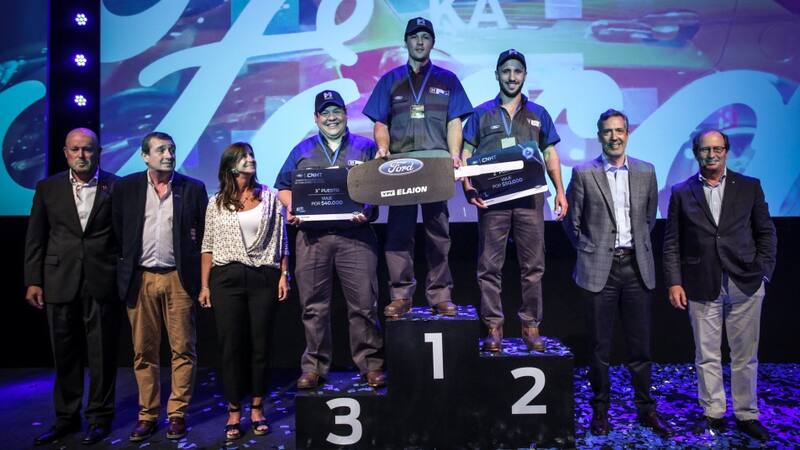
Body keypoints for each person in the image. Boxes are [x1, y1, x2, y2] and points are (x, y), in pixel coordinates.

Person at [563, 109, 672, 437]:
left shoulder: (645, 171)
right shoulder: (584, 173)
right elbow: (572, 221)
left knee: (640, 346)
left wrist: (635, 247)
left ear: (628, 133)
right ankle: (600, 410)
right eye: (608, 131)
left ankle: (645, 409)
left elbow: (649, 219)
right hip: (600, 270)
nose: (614, 136)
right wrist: (589, 249)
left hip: (637, 268)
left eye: (620, 130)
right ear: (599, 136)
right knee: (599, 347)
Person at [663, 129, 777, 441]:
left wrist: (763, 271)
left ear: (726, 151)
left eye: (717, 149)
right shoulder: (681, 191)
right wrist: (674, 282)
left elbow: (766, 232)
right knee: (707, 354)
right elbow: (672, 242)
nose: (711, 155)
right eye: (705, 150)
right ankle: (713, 412)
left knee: (745, 356)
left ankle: (746, 414)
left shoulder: (749, 187)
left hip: (746, 282)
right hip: (701, 282)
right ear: (695, 153)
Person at [275, 90, 386, 390]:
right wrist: (291, 206)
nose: (331, 117)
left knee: (364, 305)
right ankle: (314, 366)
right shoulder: (302, 150)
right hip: (313, 239)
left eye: (336, 111)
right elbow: (283, 187)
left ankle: (371, 365)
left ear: (346, 114)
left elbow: (377, 190)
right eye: (325, 113)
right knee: (313, 307)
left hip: (356, 238)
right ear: (316, 118)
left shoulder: (364, 148)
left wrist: (368, 208)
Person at [362, 17, 472, 318]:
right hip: (401, 165)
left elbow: (454, 122)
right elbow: (381, 122)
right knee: (399, 232)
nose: (420, 42)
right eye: (414, 37)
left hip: (436, 163)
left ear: (432, 42)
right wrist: (383, 149)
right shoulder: (390, 80)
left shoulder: (448, 80)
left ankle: (440, 295)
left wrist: (454, 155)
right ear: (406, 42)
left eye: (425, 36)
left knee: (439, 232)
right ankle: (401, 295)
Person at [461, 49, 568, 352]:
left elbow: (550, 154)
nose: (511, 76)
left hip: (531, 200)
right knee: (488, 267)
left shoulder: (539, 114)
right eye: (506, 71)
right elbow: (467, 153)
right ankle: (494, 328)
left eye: (517, 71)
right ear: (497, 75)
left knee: (533, 266)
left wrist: (560, 190)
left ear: (524, 75)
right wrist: (469, 187)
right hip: (492, 201)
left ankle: (530, 325)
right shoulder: (481, 113)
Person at [24, 128, 120, 446]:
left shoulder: (115, 186)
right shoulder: (48, 187)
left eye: (88, 150)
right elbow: (35, 238)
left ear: (98, 152)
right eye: (76, 150)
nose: (82, 155)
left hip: (101, 281)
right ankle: (66, 418)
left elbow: (123, 238)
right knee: (65, 354)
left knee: (102, 354)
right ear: (66, 152)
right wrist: (33, 280)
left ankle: (99, 418)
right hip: (59, 281)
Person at [112, 131, 208, 442]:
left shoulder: (192, 188)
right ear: (145, 156)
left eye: (171, 149)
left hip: (178, 279)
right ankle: (148, 414)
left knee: (183, 350)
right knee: (144, 351)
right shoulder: (126, 188)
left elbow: (203, 234)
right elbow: (117, 232)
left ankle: (177, 413)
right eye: (161, 150)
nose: (168, 154)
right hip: (140, 279)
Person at [199, 142, 290, 440]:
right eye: (243, 157)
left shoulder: (271, 197)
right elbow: (208, 246)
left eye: (251, 155)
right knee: (231, 346)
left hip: (264, 276)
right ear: (230, 165)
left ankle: (257, 407)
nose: (250, 160)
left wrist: (283, 275)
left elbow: (282, 240)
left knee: (261, 345)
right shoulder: (216, 202)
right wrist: (204, 285)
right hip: (226, 278)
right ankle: (234, 409)